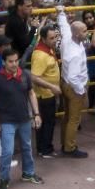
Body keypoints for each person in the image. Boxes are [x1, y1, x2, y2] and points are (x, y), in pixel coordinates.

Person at [0, 48, 44, 189]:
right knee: (7, 152)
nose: (14, 64)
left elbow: (31, 93)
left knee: (27, 147)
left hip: (24, 119)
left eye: (16, 61)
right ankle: (4, 179)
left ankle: (28, 173)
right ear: (3, 62)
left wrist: (36, 114)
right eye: (10, 61)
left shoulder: (24, 74)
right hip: (6, 121)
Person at [56, 4, 89, 158]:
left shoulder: (68, 35)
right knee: (74, 119)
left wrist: (61, 12)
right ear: (76, 34)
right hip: (74, 86)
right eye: (84, 31)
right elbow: (73, 77)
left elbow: (63, 25)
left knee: (68, 116)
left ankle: (65, 144)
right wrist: (81, 91)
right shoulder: (75, 53)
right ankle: (69, 147)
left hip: (65, 83)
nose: (86, 33)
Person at [30, 25, 61, 159]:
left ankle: (45, 147)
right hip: (43, 95)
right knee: (46, 123)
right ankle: (44, 149)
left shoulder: (47, 49)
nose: (54, 40)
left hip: (49, 94)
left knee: (49, 122)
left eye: (55, 37)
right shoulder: (40, 55)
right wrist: (51, 86)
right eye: (51, 38)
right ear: (43, 39)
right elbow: (34, 77)